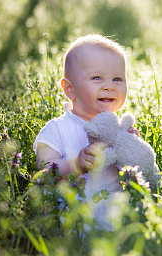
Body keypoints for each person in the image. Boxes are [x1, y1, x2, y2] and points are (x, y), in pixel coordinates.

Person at [33, 34, 138, 230]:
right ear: (70, 89)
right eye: (96, 78)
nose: (109, 86)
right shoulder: (57, 129)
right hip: (70, 227)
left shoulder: (119, 130)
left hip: (115, 225)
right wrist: (77, 164)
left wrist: (131, 149)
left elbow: (132, 173)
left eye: (117, 79)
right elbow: (44, 172)